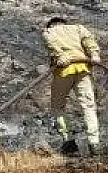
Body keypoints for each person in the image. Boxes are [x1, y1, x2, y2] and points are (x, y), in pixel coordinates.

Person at [41, 17, 102, 156]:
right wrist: (94, 54)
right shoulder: (78, 28)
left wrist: (60, 55)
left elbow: (51, 43)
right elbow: (89, 39)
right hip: (83, 69)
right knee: (88, 106)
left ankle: (68, 141)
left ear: (52, 25)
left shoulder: (49, 31)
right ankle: (94, 143)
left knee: (57, 107)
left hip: (63, 71)